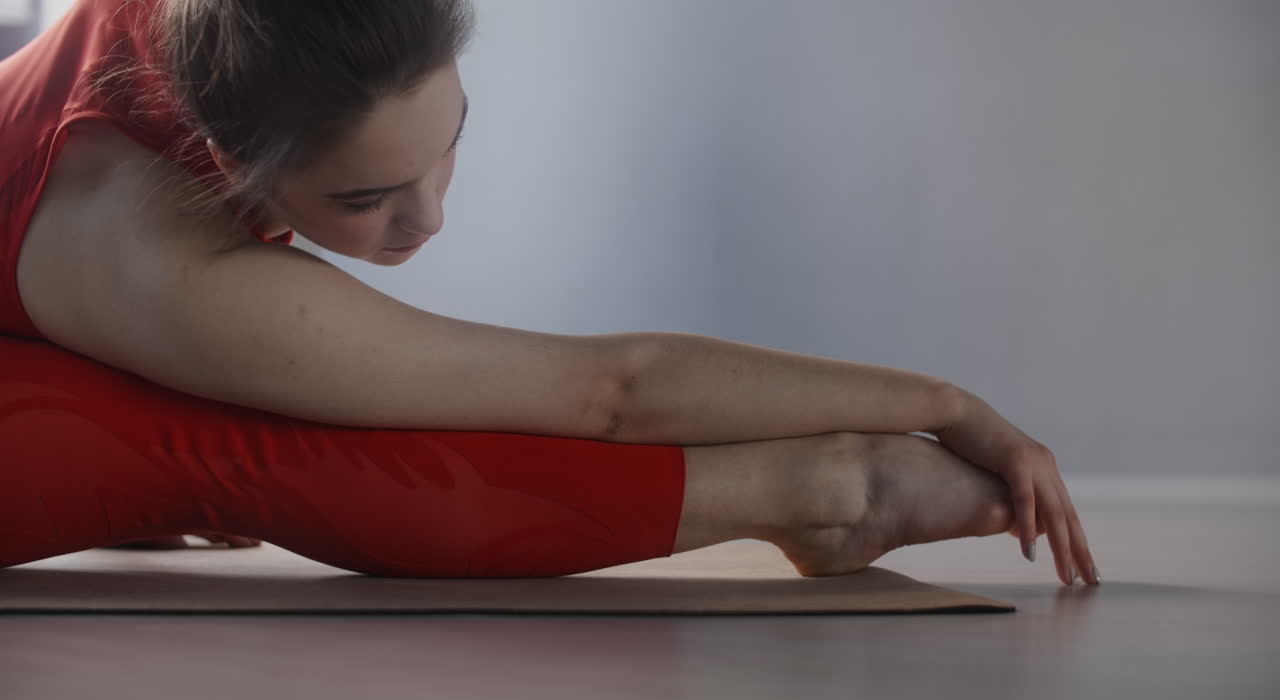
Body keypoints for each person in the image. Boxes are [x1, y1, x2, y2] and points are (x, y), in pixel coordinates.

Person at [0, 0, 1097, 584]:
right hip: (91, 281)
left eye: (449, 143)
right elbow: (609, 393)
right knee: (244, 448)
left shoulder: (246, 24)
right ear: (228, 160)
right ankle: (825, 497)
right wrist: (939, 404)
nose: (428, 219)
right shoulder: (165, 264)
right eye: (367, 198)